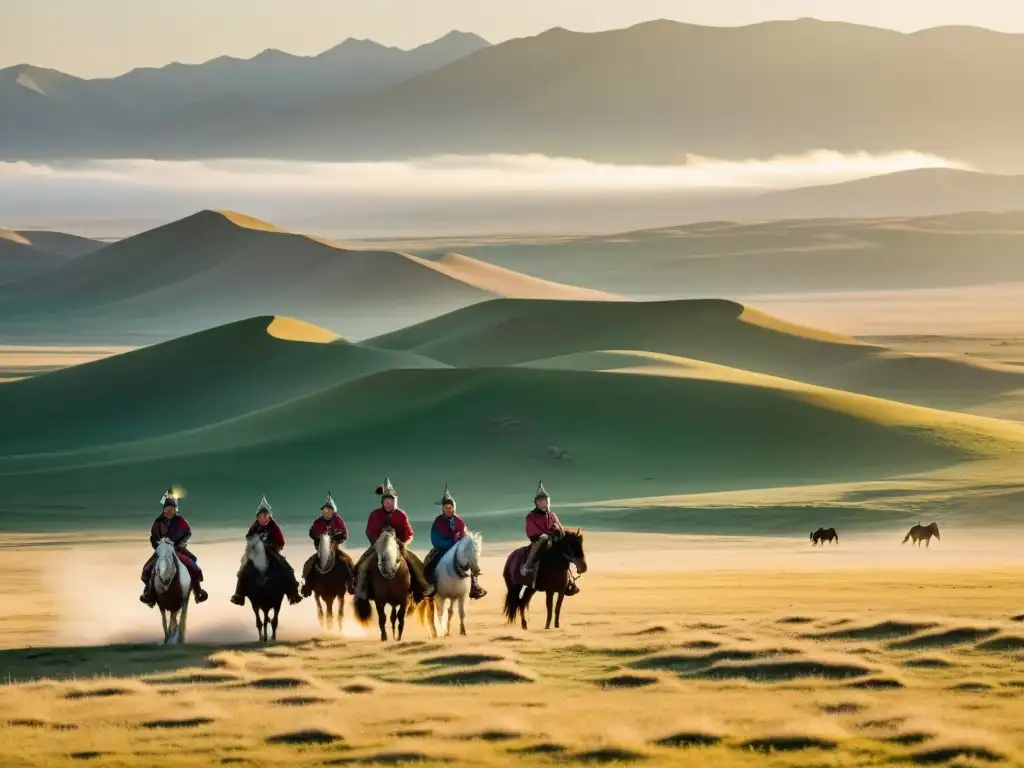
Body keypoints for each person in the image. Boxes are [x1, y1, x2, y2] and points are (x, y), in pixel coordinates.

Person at [352, 477, 433, 602]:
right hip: (378, 545)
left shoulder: (401, 515)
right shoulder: (375, 514)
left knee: (415, 563)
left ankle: (423, 586)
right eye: (386, 500)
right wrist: (376, 543)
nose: (388, 503)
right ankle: (359, 588)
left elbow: (409, 533)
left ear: (395, 501)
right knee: (362, 565)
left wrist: (403, 543)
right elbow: (369, 532)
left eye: (390, 500)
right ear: (382, 502)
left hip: (398, 546)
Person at [139, 489, 209, 606]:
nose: (169, 510)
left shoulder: (180, 521)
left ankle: (198, 592)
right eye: (167, 508)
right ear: (164, 509)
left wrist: (177, 543)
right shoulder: (158, 522)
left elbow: (187, 533)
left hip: (178, 549)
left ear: (175, 509)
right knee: (147, 569)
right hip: (162, 551)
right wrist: (159, 546)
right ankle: (149, 594)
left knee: (193, 564)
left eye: (172, 508)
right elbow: (153, 536)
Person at [230, 495, 302, 606]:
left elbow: (281, 542)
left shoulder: (274, 527)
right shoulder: (254, 527)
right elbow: (249, 538)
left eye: (265, 515)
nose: (263, 517)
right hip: (256, 553)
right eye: (261, 515)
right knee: (243, 570)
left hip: (271, 552)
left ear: (269, 516)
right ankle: (239, 595)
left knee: (287, 568)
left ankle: (293, 593)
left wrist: (271, 547)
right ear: (257, 516)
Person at [422, 485, 486, 599]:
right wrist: (449, 543)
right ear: (442, 509)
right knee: (430, 563)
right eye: (446, 507)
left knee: (469, 561)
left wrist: (464, 541)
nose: (449, 510)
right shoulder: (438, 521)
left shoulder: (459, 521)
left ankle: (474, 584)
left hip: (457, 548)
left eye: (451, 507)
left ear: (454, 508)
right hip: (442, 548)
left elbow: (464, 534)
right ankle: (431, 585)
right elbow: (435, 538)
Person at [520, 480, 579, 595]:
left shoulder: (552, 515)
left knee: (563, 553)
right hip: (538, 540)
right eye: (540, 501)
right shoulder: (530, 516)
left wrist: (557, 528)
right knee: (541, 541)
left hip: (553, 540)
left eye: (545, 500)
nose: (543, 503)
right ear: (536, 503)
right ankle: (528, 567)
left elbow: (560, 531)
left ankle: (570, 580)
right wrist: (540, 535)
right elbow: (530, 529)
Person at [300, 492, 350, 597]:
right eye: (325, 510)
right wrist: (317, 537)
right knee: (309, 564)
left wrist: (338, 537)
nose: (326, 512)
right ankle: (307, 586)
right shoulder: (318, 521)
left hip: (334, 549)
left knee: (346, 563)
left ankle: (351, 584)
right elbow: (311, 532)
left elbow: (344, 533)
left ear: (333, 510)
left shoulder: (338, 520)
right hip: (320, 550)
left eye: (329, 509)